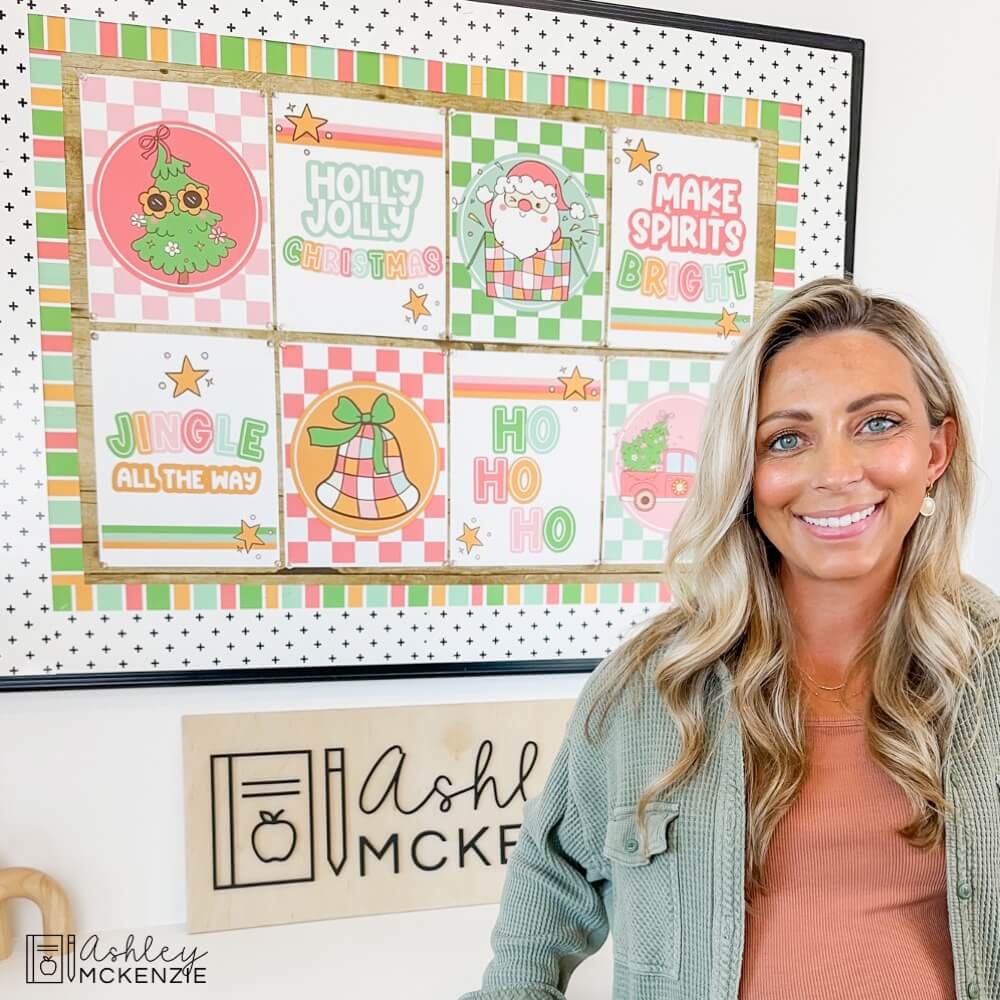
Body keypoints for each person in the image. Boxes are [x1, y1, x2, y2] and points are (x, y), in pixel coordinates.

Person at [458, 277, 1000, 1000]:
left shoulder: (990, 673)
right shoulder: (650, 687)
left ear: (937, 450)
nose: (837, 473)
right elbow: (547, 887)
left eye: (877, 424)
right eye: (787, 438)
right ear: (745, 474)